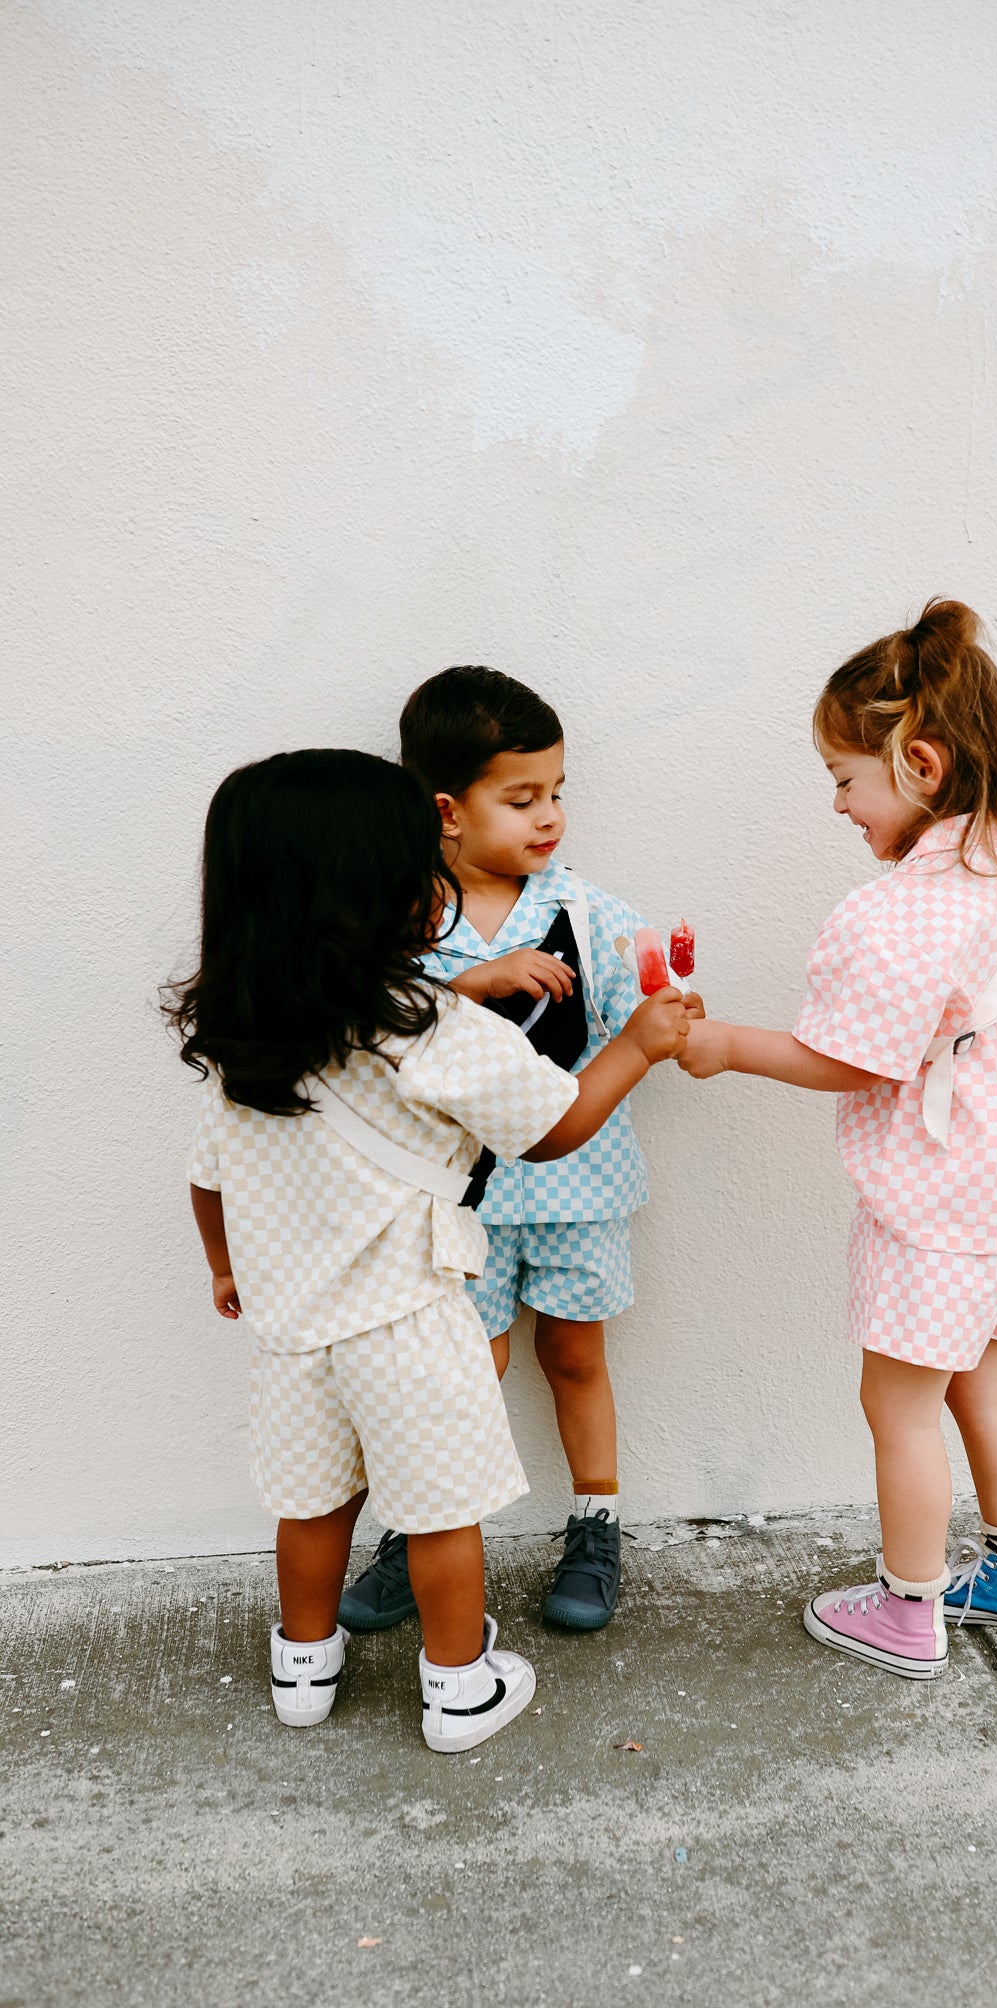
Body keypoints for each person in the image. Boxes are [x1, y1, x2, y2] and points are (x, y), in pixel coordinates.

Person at [169, 750, 688, 1748]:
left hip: (292, 1331)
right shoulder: (431, 1025)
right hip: (409, 1319)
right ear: (386, 891)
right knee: (443, 1511)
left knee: (314, 1504)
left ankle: (304, 1668)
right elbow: (557, 1122)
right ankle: (459, 1685)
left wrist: (226, 1267)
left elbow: (208, 1177)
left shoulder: (248, 1039)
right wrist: (639, 1044)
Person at [678, 600, 997, 1678]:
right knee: (985, 1389)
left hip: (942, 1207)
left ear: (918, 762)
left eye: (847, 777)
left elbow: (858, 1057)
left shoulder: (907, 907)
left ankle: (908, 1610)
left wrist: (724, 1043)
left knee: (896, 1405)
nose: (838, 802)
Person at [340, 667, 684, 1637]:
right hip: (457, 1206)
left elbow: (631, 1027)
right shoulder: (401, 922)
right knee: (462, 1370)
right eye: (522, 797)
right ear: (445, 810)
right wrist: (471, 986)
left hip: (581, 1187)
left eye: (558, 792)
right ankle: (422, 1530)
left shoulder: (594, 912)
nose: (549, 816)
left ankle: (596, 1524)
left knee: (575, 1354)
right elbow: (366, 1040)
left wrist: (671, 1025)